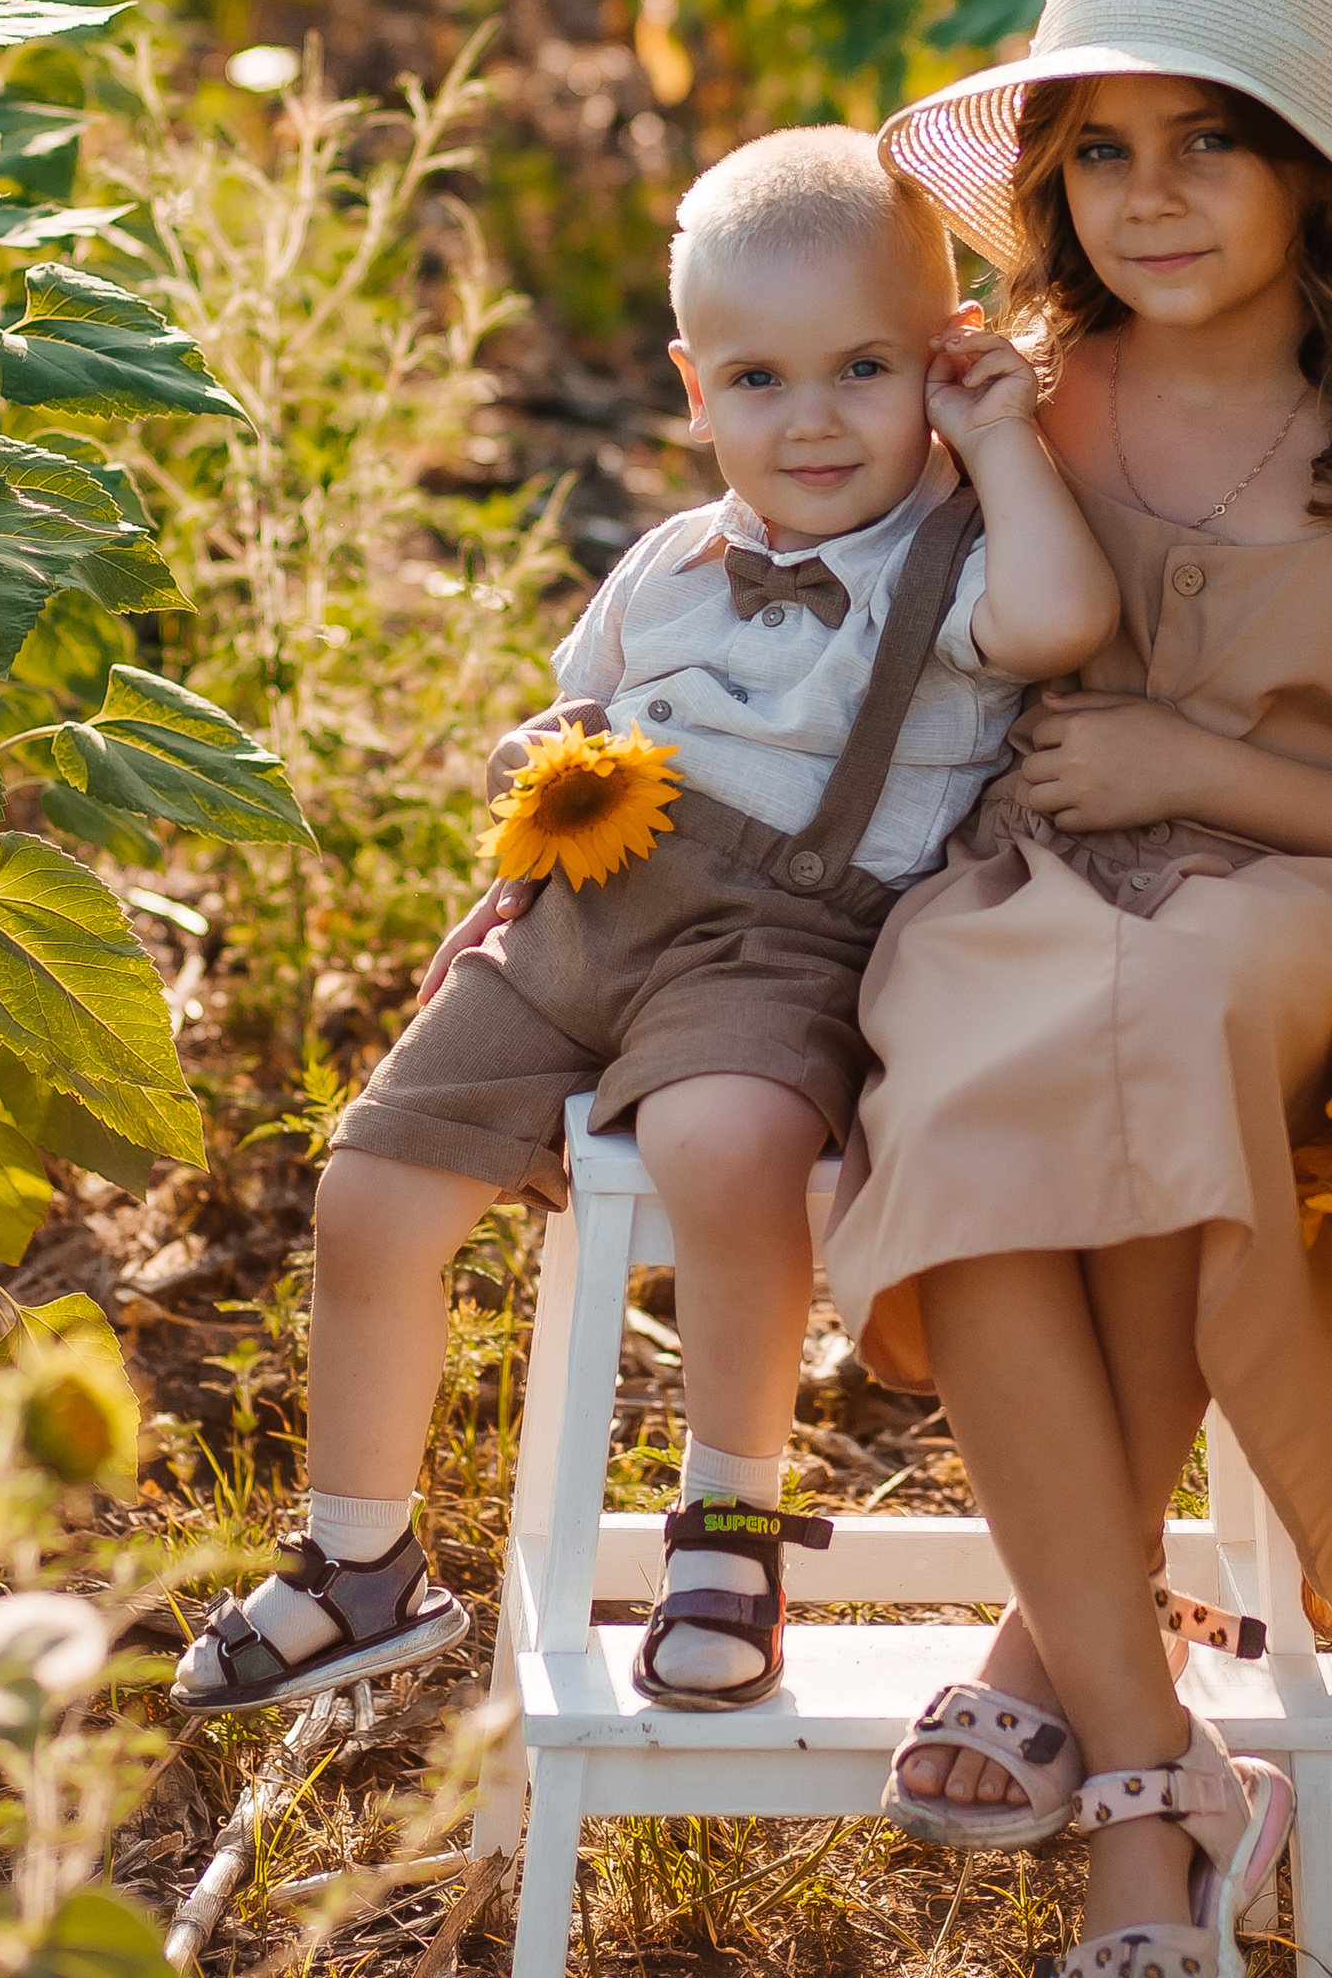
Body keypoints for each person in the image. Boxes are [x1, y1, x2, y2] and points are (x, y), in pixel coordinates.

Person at [824, 0, 1332, 1978]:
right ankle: (1152, 1758)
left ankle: (1065, 1699)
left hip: (1301, 893)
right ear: (1050, 179)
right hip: (1029, 879)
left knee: (1182, 1019)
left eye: (1206, 141)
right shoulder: (1022, 406)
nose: (1145, 195)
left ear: (1315, 182)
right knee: (969, 1078)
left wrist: (1196, 764)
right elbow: (797, 596)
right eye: (1101, 146)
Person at [174, 124, 1118, 1717]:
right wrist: (537, 780)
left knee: (725, 1146)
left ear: (944, 362)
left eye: (864, 371)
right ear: (694, 387)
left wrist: (1006, 445)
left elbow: (1060, 620)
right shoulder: (674, 561)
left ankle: (731, 1514)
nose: (810, 421)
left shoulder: (953, 555)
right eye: (758, 381)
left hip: (784, 943)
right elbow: (574, 713)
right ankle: (362, 1556)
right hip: (591, 912)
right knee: (372, 1184)